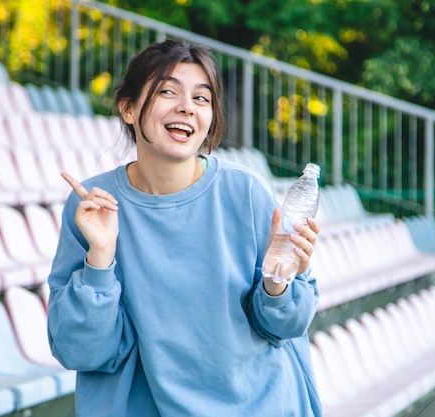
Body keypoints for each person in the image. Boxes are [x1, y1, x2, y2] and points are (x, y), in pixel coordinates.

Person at [47, 38, 322, 417]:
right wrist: (100, 260)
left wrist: (279, 282)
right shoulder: (93, 206)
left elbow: (286, 326)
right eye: (167, 92)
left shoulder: (245, 192)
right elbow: (79, 350)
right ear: (128, 108)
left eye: (201, 98)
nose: (186, 108)